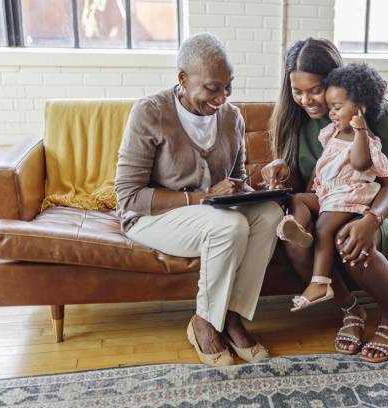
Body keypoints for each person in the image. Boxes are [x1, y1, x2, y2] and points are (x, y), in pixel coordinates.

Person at [115, 33, 284, 367]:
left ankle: (232, 316)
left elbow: (234, 184)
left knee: (269, 213)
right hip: (151, 217)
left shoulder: (232, 118)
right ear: (182, 78)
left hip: (213, 214)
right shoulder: (150, 112)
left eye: (228, 87)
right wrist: (204, 197)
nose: (222, 97)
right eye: (212, 88)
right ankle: (204, 323)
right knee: (230, 226)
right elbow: (129, 197)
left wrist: (260, 186)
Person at [262, 38, 388, 363]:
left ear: (333, 80)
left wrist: (371, 221)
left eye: (313, 90)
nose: (305, 100)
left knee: (349, 240)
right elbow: (306, 185)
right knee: (295, 237)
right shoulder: (294, 118)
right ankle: (350, 310)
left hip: (372, 202)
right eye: (297, 91)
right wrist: (281, 171)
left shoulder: (373, 112)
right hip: (326, 201)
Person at [276, 63, 388, 314]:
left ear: (359, 109)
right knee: (299, 200)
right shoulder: (333, 132)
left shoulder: (366, 139)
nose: (332, 113)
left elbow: (361, 163)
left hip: (350, 196)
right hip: (328, 194)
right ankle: (298, 230)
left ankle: (320, 283)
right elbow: (323, 165)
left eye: (337, 108)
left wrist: (360, 128)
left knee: (325, 227)